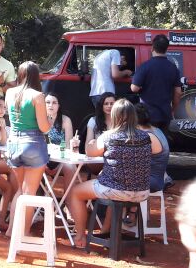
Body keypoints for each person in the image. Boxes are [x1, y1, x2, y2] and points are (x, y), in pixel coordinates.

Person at [66, 99, 161, 248]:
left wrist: (92, 143)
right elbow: (158, 149)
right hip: (142, 192)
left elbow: (90, 152)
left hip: (114, 189)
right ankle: (106, 231)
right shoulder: (147, 136)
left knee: (75, 193)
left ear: (115, 116)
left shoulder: (108, 136)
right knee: (113, 190)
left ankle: (80, 237)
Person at [3, 61, 51, 236]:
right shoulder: (37, 96)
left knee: (20, 190)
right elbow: (44, 128)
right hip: (33, 143)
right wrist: (50, 120)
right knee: (30, 192)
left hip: (13, 143)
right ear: (36, 76)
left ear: (20, 74)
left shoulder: (10, 92)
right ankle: (23, 232)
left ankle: (11, 230)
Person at [130, 34, 182, 129]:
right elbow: (178, 92)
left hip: (147, 114)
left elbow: (134, 88)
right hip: (165, 114)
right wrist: (173, 110)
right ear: (166, 49)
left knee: (148, 137)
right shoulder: (173, 68)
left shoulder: (145, 66)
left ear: (152, 48)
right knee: (162, 137)